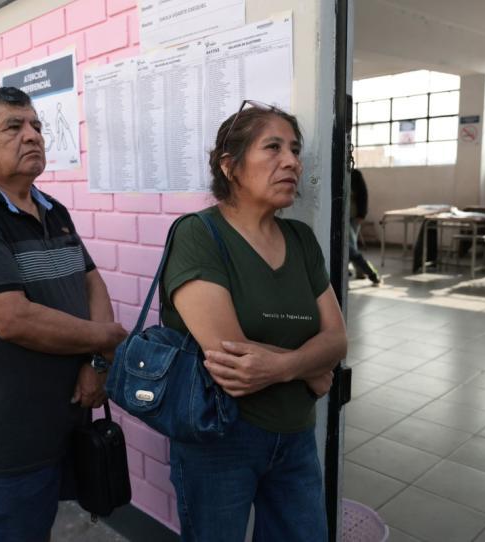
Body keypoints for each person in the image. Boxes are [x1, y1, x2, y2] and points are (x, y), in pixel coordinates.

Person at [0, 87, 127, 542]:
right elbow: (14, 319)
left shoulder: (52, 209)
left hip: (70, 415)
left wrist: (97, 362)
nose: (33, 135)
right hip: (11, 432)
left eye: (36, 126)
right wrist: (107, 340)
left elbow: (91, 282)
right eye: (13, 127)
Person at [159, 101, 347, 541]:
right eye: (273, 147)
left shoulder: (301, 239)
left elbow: (338, 339)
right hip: (220, 436)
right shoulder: (198, 235)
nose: (292, 162)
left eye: (295, 150)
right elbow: (233, 359)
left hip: (296, 434)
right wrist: (310, 368)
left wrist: (285, 366)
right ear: (230, 166)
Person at [348, 169, 380, 285]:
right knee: (351, 247)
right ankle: (367, 272)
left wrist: (362, 214)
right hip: (342, 217)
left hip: (353, 216)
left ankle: (366, 272)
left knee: (351, 247)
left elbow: (363, 194)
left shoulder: (355, 174)